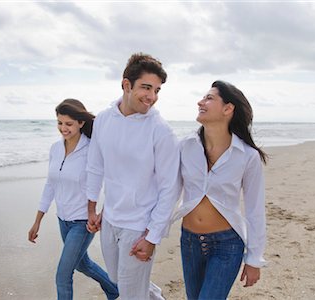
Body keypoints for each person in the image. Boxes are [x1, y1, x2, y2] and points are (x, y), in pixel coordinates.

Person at [85, 53, 180, 300]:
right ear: (126, 85)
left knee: (129, 293)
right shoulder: (104, 119)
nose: (152, 97)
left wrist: (152, 236)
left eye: (157, 90)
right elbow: (95, 165)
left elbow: (170, 188)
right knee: (121, 281)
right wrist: (92, 209)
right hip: (110, 218)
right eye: (146, 87)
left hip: (139, 224)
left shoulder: (161, 131)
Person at [174, 80, 268, 299]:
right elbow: (167, 191)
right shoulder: (184, 146)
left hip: (227, 245)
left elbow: (255, 210)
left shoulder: (247, 156)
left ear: (228, 108)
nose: (200, 101)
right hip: (189, 242)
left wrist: (254, 259)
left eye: (209, 98)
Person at [28, 99, 119, 300]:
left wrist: (98, 214)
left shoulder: (92, 150)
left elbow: (109, 183)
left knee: (62, 275)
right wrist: (37, 221)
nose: (63, 128)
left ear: (81, 123)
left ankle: (114, 289)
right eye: (60, 123)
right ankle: (114, 289)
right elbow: (50, 185)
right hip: (63, 219)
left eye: (68, 123)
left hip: (82, 222)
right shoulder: (55, 148)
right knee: (82, 264)